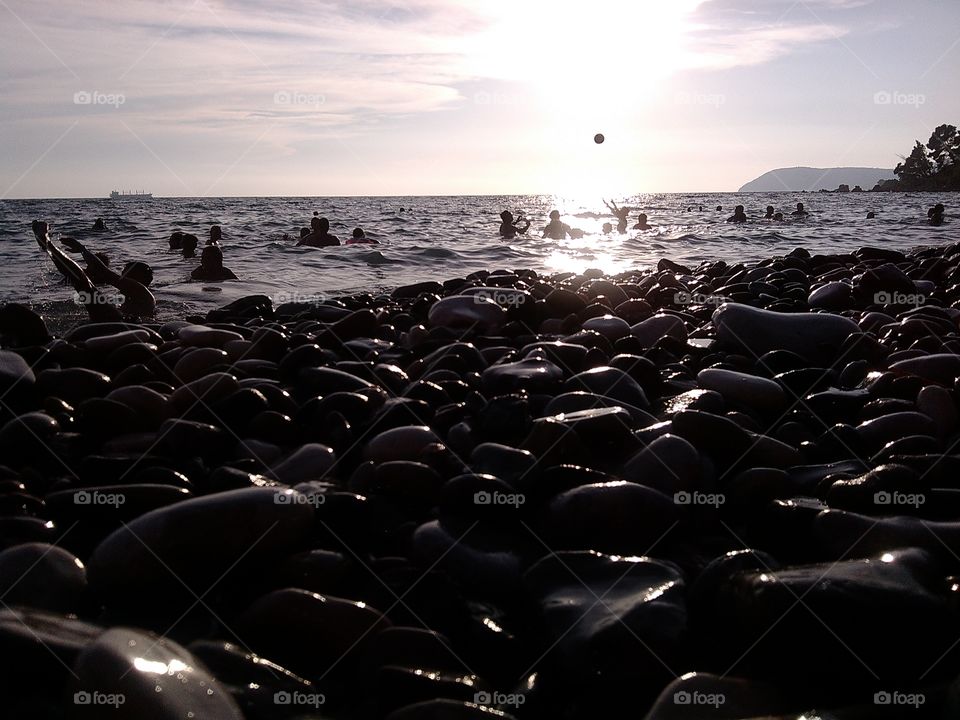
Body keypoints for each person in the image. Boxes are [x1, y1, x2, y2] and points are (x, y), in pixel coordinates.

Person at [32, 220, 155, 320]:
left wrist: (82, 249)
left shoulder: (144, 294)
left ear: (140, 280)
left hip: (117, 322)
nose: (121, 276)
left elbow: (104, 272)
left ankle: (47, 244)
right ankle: (48, 246)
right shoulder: (130, 300)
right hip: (118, 322)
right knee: (84, 286)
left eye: (126, 274)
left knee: (84, 284)